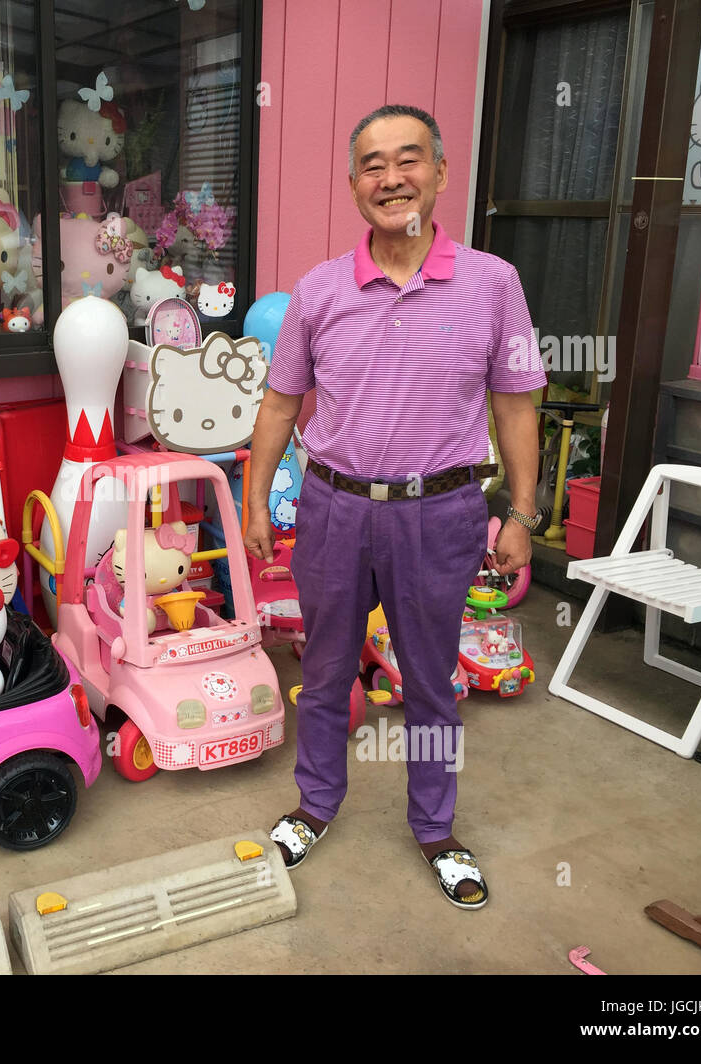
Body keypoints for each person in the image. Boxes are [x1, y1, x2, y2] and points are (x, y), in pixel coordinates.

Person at [244, 104, 546, 910]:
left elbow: (518, 403)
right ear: (354, 186)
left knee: (431, 680)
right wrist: (251, 507)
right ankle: (314, 806)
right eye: (373, 165)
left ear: (441, 173)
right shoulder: (319, 290)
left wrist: (521, 512)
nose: (391, 178)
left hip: (439, 516)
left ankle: (436, 828)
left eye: (408, 159)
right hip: (334, 510)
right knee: (327, 668)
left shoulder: (493, 284)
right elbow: (279, 407)